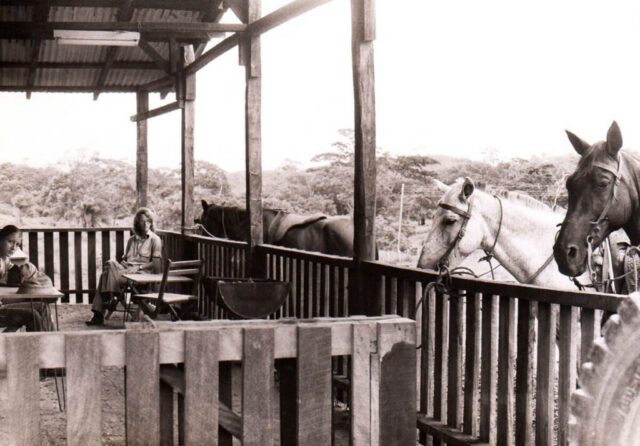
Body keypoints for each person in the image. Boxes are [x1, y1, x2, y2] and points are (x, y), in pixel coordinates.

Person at [86, 208, 162, 325]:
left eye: (148, 221)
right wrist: (124, 264)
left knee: (104, 276)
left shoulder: (155, 240)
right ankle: (110, 296)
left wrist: (138, 268)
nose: (146, 224)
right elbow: (124, 259)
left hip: (140, 274)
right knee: (110, 263)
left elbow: (156, 264)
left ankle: (100, 310)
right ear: (137, 223)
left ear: (151, 223)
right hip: (126, 271)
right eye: (142, 221)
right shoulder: (131, 240)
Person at [0, 224, 54, 332]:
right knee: (33, 315)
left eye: (17, 244)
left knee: (42, 307)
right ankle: (42, 345)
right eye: (10, 242)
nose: (14, 247)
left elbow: (28, 272)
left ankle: (50, 341)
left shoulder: (5, 259)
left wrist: (24, 264)